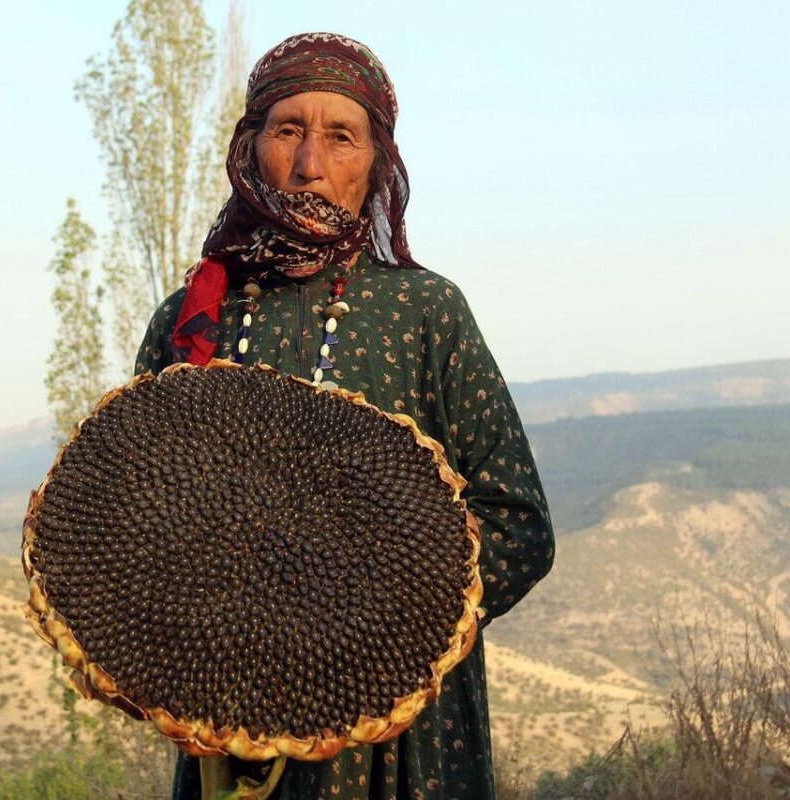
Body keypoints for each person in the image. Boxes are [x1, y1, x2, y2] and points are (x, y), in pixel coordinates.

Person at [131, 31, 555, 800]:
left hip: (399, 746)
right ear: (250, 148)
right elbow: (140, 515)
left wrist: (380, 638)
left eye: (340, 137)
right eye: (288, 130)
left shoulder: (426, 314)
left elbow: (518, 522)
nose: (310, 164)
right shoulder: (192, 320)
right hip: (231, 727)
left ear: (377, 162)